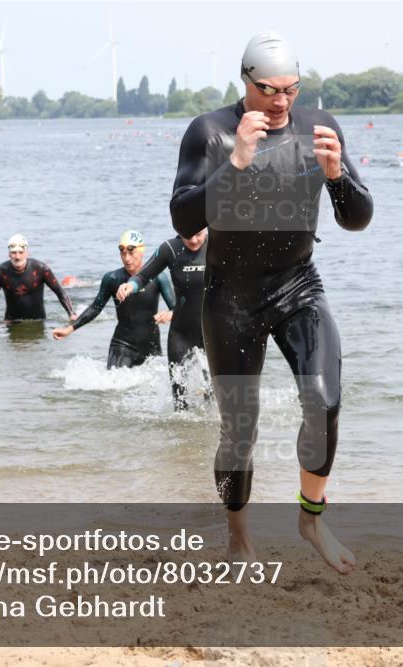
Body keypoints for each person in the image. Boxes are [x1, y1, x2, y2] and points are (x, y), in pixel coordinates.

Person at [170, 31, 373, 573]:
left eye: (291, 89)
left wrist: (336, 178)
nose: (282, 101)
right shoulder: (209, 132)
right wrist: (235, 161)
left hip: (297, 283)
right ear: (245, 81)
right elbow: (184, 218)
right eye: (268, 90)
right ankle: (239, 537)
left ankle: (311, 519)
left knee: (324, 399)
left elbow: (357, 218)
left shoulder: (320, 127)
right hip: (229, 296)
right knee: (240, 428)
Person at [53, 231, 176, 369]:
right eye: (123, 253)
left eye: (131, 252)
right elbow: (95, 308)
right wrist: (69, 329)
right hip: (122, 345)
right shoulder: (112, 279)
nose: (127, 258)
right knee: (115, 388)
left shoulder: (159, 277)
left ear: (142, 251)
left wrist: (170, 314)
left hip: (151, 347)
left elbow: (176, 308)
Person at [116, 229, 208, 410]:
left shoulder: (218, 246)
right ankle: (182, 436)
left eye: (198, 234)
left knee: (213, 397)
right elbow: (143, 276)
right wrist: (130, 285)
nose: (194, 239)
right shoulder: (170, 249)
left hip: (213, 334)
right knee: (180, 402)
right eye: (188, 234)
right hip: (181, 334)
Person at [0, 234, 77, 323]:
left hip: (39, 321)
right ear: (9, 254)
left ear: (27, 253)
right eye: (14, 252)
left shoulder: (41, 269)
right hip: (12, 322)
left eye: (21, 252)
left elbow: (60, 292)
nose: (17, 256)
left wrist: (72, 314)